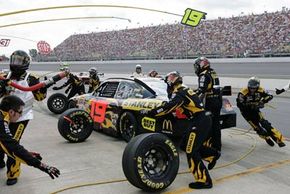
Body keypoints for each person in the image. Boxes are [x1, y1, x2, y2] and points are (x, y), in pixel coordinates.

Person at [141, 71, 220, 189]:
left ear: (171, 83)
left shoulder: (178, 92)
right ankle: (213, 154)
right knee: (184, 145)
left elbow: (169, 107)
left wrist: (151, 112)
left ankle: (204, 181)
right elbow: (173, 105)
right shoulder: (182, 89)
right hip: (199, 119)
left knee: (191, 151)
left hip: (199, 120)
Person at [0, 50, 50, 185]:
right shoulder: (4, 75)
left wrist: (43, 88)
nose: (15, 63)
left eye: (18, 61)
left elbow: (40, 98)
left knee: (13, 143)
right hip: (5, 114)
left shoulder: (31, 78)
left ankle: (13, 174)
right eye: (13, 60)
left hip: (22, 116)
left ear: (26, 63)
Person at [0, 95, 60, 185]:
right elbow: (13, 148)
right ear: (11, 112)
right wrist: (41, 165)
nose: (21, 115)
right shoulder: (1, 123)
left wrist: (27, 154)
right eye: (20, 112)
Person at [237, 77, 286, 147]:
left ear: (257, 87)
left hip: (256, 110)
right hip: (246, 113)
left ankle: (278, 140)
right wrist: (249, 106)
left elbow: (270, 96)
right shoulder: (242, 93)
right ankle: (267, 138)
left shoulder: (261, 90)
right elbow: (239, 104)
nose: (252, 90)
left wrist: (262, 102)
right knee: (258, 129)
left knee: (265, 124)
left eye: (254, 88)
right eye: (250, 88)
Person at [193, 57, 222, 151]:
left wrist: (192, 96)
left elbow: (201, 91)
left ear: (202, 65)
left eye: (197, 66)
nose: (196, 68)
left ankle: (208, 147)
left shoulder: (203, 75)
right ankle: (217, 146)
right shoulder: (213, 72)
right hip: (218, 100)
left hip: (210, 101)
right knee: (216, 124)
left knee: (208, 124)